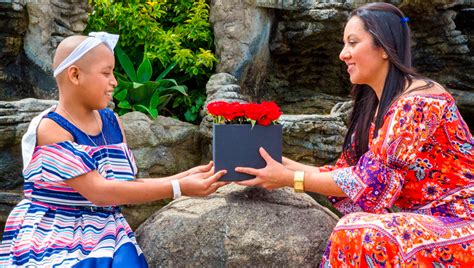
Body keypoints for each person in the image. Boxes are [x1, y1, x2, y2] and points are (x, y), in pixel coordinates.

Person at [236, 2, 473, 266]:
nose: (342, 54)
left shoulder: (418, 102)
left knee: (362, 232)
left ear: (383, 47)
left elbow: (371, 182)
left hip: (464, 224)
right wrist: (278, 165)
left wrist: (290, 179)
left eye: (352, 43)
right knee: (359, 229)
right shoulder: (374, 106)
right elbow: (345, 174)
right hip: (433, 222)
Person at [0, 32, 227, 267]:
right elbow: (99, 192)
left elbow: (122, 185)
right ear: (75, 74)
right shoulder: (52, 129)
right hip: (55, 233)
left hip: (105, 229)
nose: (114, 82)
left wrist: (185, 176)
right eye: (106, 73)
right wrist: (178, 187)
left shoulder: (112, 122)